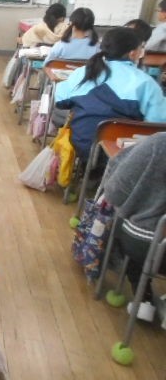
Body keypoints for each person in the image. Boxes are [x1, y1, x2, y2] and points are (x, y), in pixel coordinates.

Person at [55, 27, 166, 159]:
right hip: (125, 154)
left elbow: (60, 101)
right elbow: (158, 122)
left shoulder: (83, 72)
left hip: (81, 145)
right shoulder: (145, 82)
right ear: (133, 53)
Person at [101, 132, 166, 322]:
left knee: (124, 220)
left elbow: (114, 193)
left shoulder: (158, 144)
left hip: (150, 246)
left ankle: (143, 298)